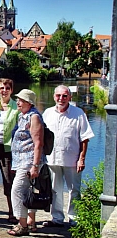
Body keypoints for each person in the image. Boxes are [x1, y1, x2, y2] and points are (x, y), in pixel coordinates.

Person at [42, 85, 94, 227]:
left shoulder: (78, 114)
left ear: (70, 97)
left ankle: (74, 219)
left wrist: (82, 158)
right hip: (52, 158)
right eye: (58, 95)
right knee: (55, 190)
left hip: (72, 160)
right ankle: (57, 218)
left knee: (74, 190)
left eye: (65, 96)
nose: (61, 99)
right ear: (54, 97)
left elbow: (85, 138)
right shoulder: (47, 113)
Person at [8, 89, 45, 236]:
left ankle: (22, 225)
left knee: (17, 191)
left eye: (21, 100)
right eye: (18, 99)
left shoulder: (34, 117)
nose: (18, 102)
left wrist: (35, 166)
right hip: (21, 161)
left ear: (29, 103)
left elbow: (38, 143)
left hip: (29, 162)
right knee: (27, 192)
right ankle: (30, 222)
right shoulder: (23, 116)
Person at [0, 78, 20, 224]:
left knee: (9, 180)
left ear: (11, 90)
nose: (4, 91)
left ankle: (12, 212)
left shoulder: (16, 107)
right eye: (1, 88)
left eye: (7, 88)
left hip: (8, 148)